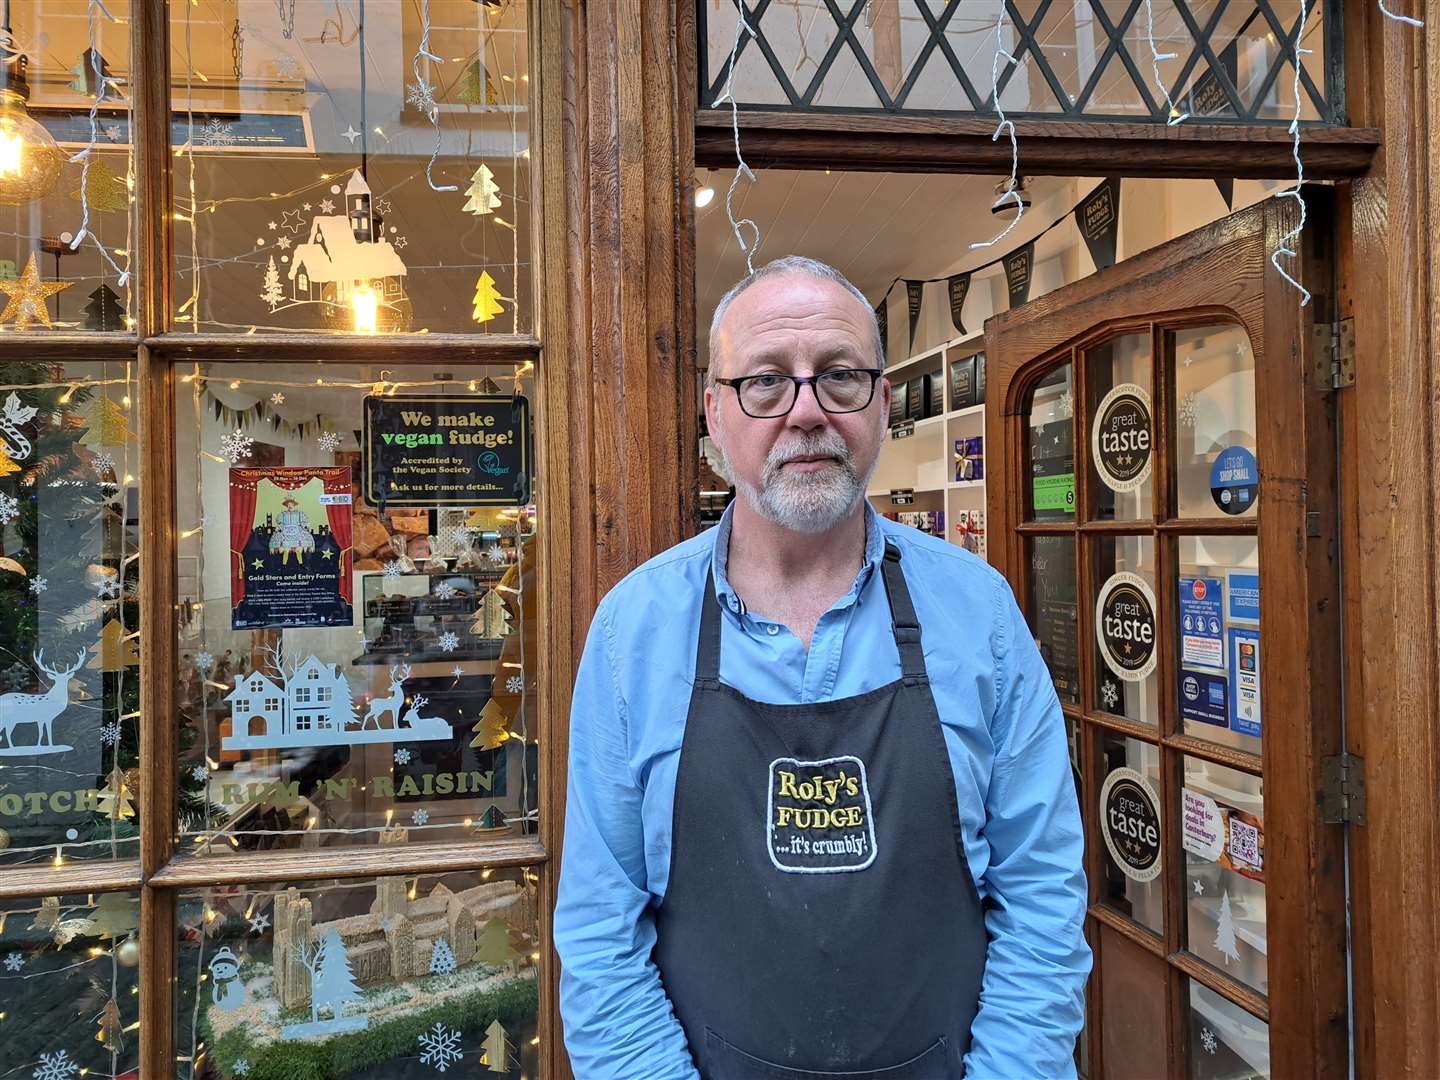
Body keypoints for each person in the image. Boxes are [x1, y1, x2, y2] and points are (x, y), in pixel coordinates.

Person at [554, 256, 1089, 1079]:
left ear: (880, 401)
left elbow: (1043, 903)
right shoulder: (635, 631)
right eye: (765, 382)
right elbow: (600, 935)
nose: (807, 412)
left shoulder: (977, 613)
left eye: (839, 377)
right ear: (714, 414)